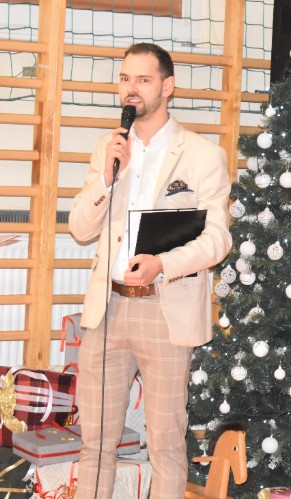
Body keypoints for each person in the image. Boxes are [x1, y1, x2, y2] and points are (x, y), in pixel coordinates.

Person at [68, 42, 232, 498]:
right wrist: (107, 178)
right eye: (125, 79)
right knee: (95, 442)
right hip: (108, 308)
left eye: (143, 79)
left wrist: (163, 264)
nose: (131, 89)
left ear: (168, 86)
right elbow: (80, 228)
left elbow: (218, 239)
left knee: (165, 445)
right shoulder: (108, 148)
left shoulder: (202, 154)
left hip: (165, 309)